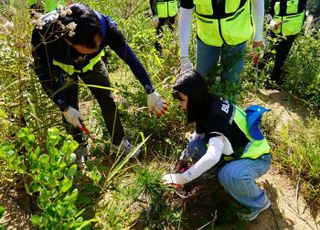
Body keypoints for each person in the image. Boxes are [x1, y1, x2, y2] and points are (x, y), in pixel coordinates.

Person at [31, 3, 167, 161]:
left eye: (98, 43)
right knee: (71, 112)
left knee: (108, 100)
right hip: (62, 68)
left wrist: (150, 90)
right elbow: (43, 74)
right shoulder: (44, 34)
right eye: (89, 47)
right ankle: (78, 148)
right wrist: (64, 107)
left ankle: (118, 142)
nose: (97, 48)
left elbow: (130, 58)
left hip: (92, 65)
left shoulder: (106, 27)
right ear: (70, 41)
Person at [162, 70, 272, 221]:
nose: (179, 105)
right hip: (234, 154)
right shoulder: (205, 104)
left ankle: (259, 202)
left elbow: (213, 156)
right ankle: (222, 173)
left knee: (228, 176)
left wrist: (182, 178)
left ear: (193, 98)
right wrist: (184, 158)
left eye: (181, 100)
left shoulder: (217, 116)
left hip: (257, 158)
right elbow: (198, 136)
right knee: (194, 147)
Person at [179, 0, 265, 83]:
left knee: (230, 85)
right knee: (203, 84)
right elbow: (185, 15)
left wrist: (258, 39)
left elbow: (257, 1)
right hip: (206, 40)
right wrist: (184, 57)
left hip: (236, 40)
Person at [266, 0, 307, 86]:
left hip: (290, 32)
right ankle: (254, 78)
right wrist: (271, 22)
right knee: (264, 52)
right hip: (274, 29)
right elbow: (270, 12)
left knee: (280, 58)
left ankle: (272, 83)